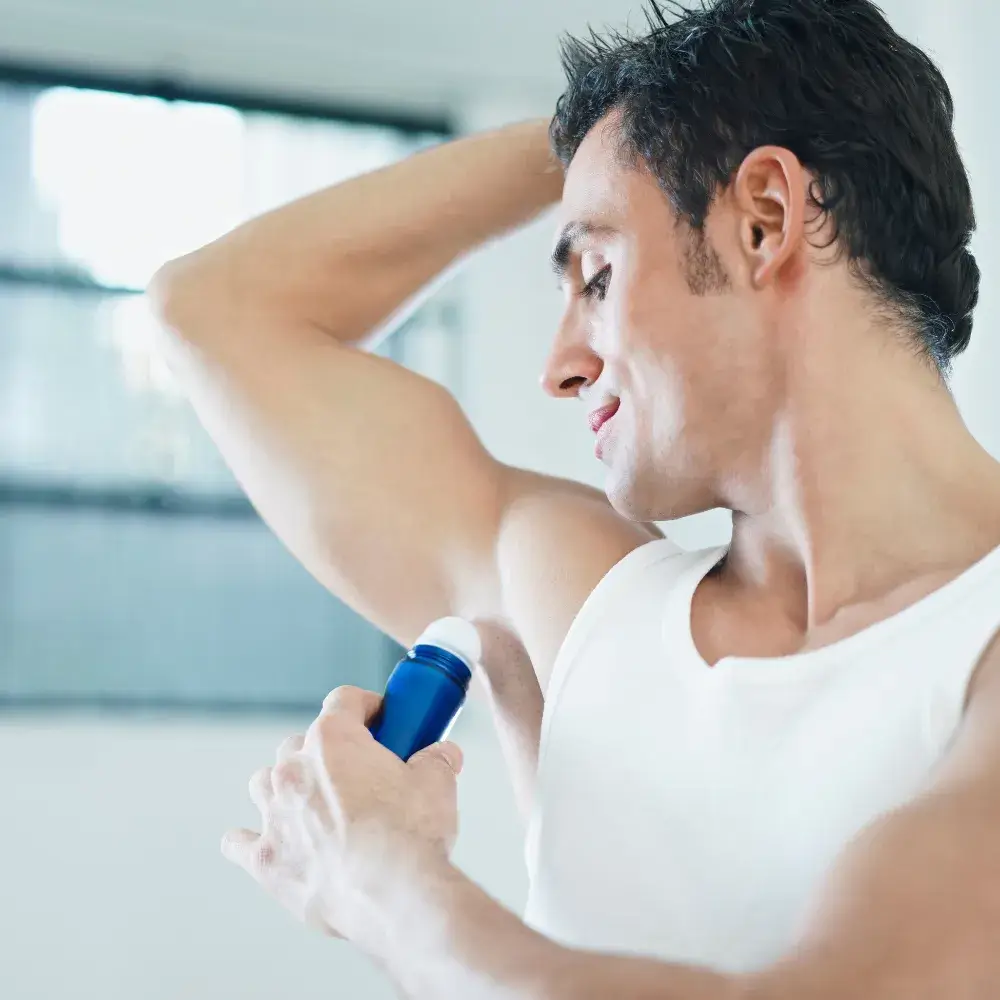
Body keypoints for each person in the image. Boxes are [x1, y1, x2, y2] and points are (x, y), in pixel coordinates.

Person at [149, 0, 1000, 994]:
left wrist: (377, 876)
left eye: (594, 275)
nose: (558, 367)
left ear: (764, 217)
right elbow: (214, 309)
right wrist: (601, 137)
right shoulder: (580, 598)